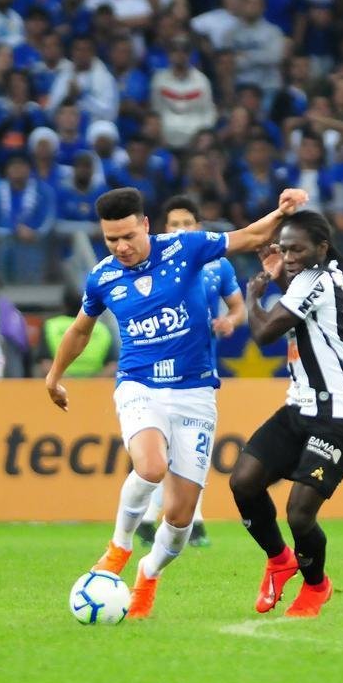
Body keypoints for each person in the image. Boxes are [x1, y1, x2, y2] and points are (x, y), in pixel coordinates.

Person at [45, 185, 307, 619]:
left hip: (195, 392)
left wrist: (280, 213)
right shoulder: (103, 276)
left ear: (146, 225)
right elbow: (79, 330)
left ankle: (149, 575)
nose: (121, 247)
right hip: (139, 384)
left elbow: (244, 237)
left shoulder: (184, 248)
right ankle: (119, 547)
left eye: (129, 235)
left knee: (181, 518)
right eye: (112, 239)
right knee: (150, 466)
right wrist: (54, 376)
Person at [231, 210, 343, 618]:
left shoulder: (321, 280)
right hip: (302, 406)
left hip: (341, 415)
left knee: (299, 512)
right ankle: (280, 559)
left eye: (298, 249)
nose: (290, 255)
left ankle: (316, 587)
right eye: (284, 248)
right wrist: (280, 276)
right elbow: (296, 308)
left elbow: (264, 333)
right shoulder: (306, 282)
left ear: (322, 248)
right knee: (244, 482)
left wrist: (253, 293)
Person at [136, 195, 246, 549]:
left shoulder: (218, 265)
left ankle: (182, 518)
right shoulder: (152, 265)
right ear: (162, 229)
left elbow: (238, 307)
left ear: (199, 228)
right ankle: (168, 518)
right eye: (174, 224)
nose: (181, 230)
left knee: (189, 450)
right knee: (161, 449)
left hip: (199, 372)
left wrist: (230, 321)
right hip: (155, 373)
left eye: (187, 224)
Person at [36, 288, 117, 379]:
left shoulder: (50, 326)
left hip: (61, 385)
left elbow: (45, 363)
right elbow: (113, 365)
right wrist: (93, 382)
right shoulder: (102, 328)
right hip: (94, 387)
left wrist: (66, 379)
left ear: (64, 304)